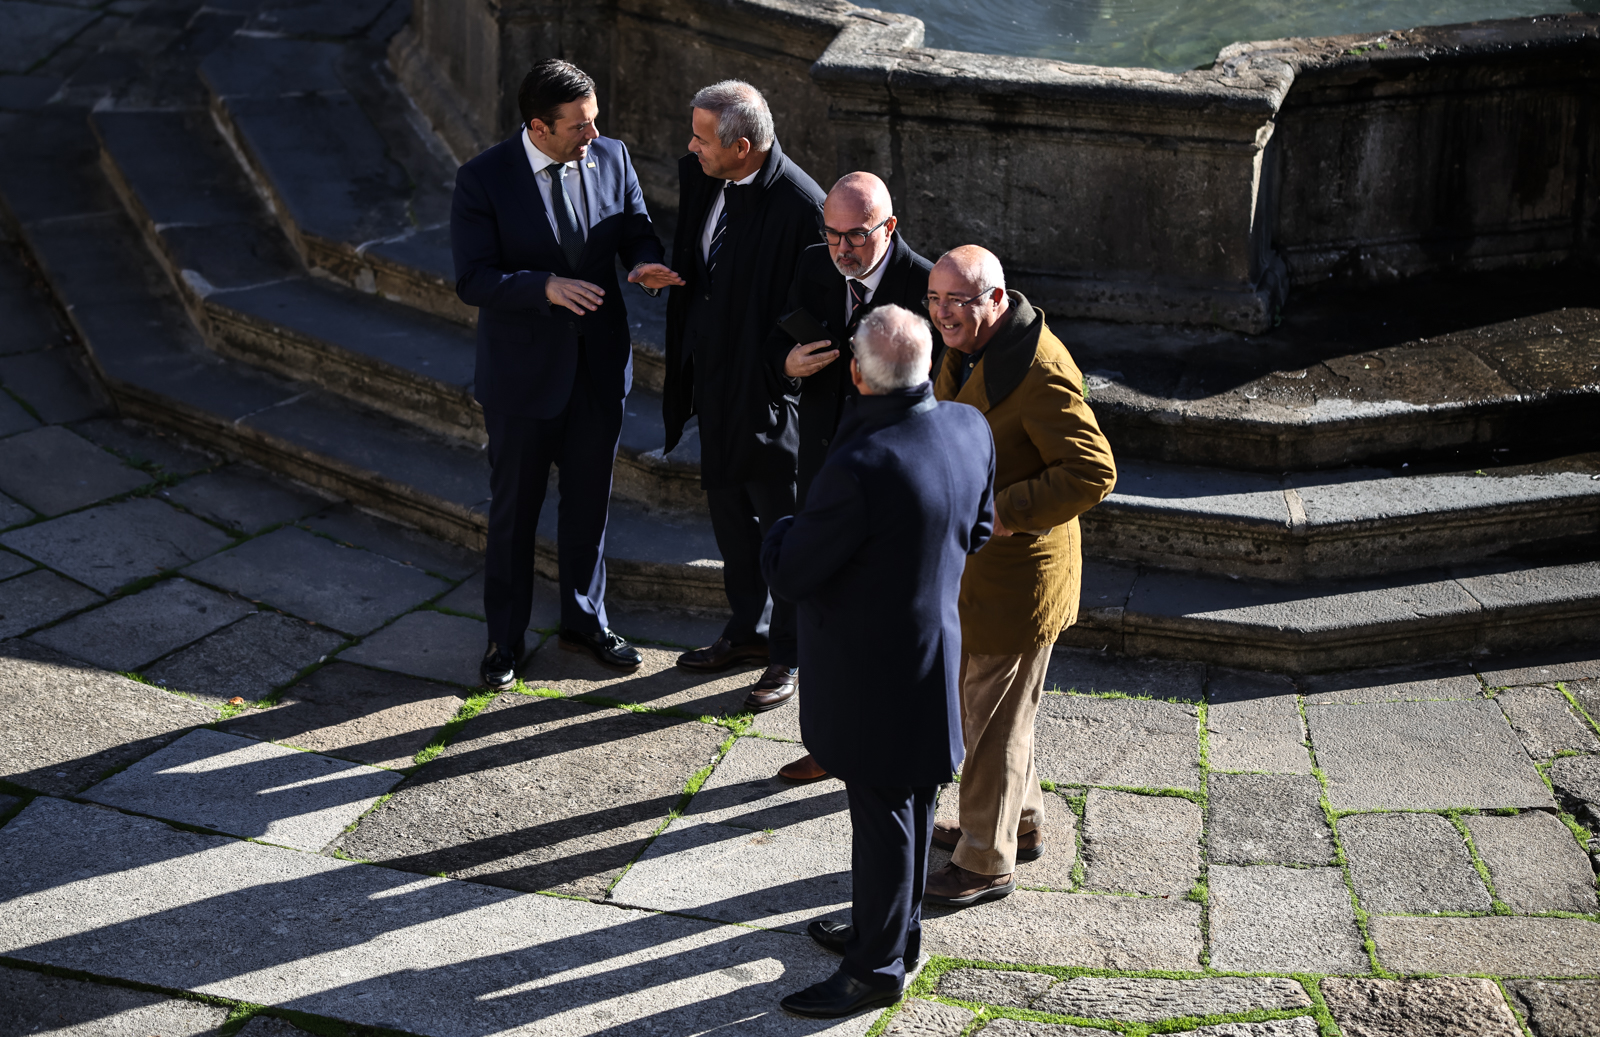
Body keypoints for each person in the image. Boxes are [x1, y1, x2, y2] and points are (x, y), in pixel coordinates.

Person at [762, 305, 994, 1019]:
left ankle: (875, 969)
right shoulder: (969, 427)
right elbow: (979, 530)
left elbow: (791, 572)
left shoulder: (861, 466)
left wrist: (781, 528)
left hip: (870, 674)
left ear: (859, 377)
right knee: (912, 804)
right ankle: (891, 933)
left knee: (886, 818)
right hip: (933, 653)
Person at [452, 59, 684, 690]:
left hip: (599, 370)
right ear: (539, 127)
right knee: (514, 513)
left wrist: (644, 264)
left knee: (589, 506)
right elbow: (473, 279)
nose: (594, 134)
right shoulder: (483, 178)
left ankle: (585, 622)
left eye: (595, 120)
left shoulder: (612, 155)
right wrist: (544, 287)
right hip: (523, 377)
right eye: (580, 125)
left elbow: (636, 229)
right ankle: (504, 639)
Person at [921, 245, 1117, 907]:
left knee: (992, 724)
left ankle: (984, 860)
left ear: (997, 300)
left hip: (1018, 579)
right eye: (935, 298)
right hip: (977, 572)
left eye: (959, 300)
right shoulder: (970, 346)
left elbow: (1093, 471)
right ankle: (1021, 823)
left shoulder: (1038, 369)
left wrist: (1005, 511)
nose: (944, 313)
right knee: (994, 713)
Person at [765, 171, 934, 783]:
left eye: (856, 236)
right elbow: (778, 335)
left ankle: (891, 747)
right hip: (824, 467)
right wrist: (786, 364)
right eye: (832, 233)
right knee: (823, 611)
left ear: (889, 227)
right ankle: (828, 742)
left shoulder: (925, 285)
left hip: (892, 477)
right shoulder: (817, 264)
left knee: (883, 620)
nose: (841, 249)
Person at [662, 80, 825, 712]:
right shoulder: (707, 175)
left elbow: (813, 307)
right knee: (730, 521)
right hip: (715, 385)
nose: (691, 147)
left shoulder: (802, 207)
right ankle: (746, 630)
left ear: (743, 147)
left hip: (769, 398)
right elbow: (705, 265)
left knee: (782, 529)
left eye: (702, 138)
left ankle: (789, 652)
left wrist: (782, 368)